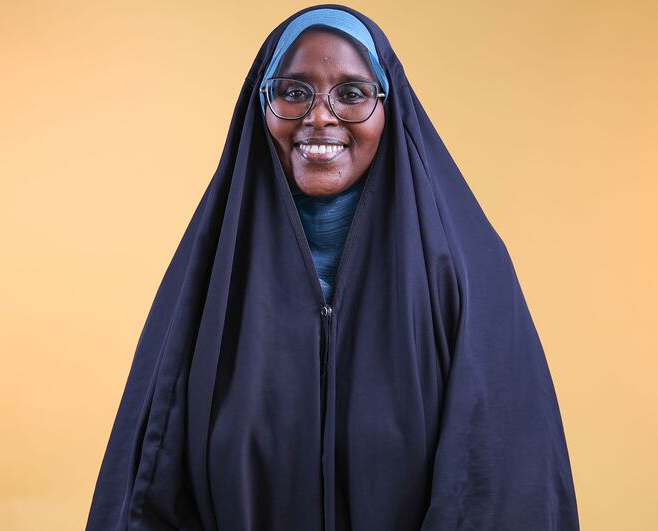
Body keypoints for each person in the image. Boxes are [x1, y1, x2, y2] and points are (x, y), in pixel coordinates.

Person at [85, 5, 580, 531]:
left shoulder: (468, 277)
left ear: (391, 109)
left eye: (352, 94)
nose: (319, 117)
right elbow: (148, 487)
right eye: (293, 91)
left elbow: (501, 483)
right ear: (260, 106)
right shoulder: (209, 280)